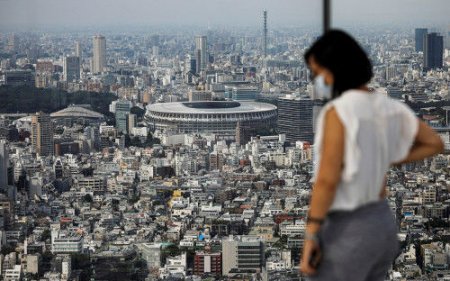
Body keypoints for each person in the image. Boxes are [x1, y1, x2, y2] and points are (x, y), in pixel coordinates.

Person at [299, 30, 444, 281]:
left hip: (348, 227)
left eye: (318, 71)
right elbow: (433, 143)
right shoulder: (387, 106)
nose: (316, 79)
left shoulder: (338, 112)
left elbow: (326, 180)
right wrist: (389, 157)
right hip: (382, 223)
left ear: (335, 69)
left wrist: (311, 235)